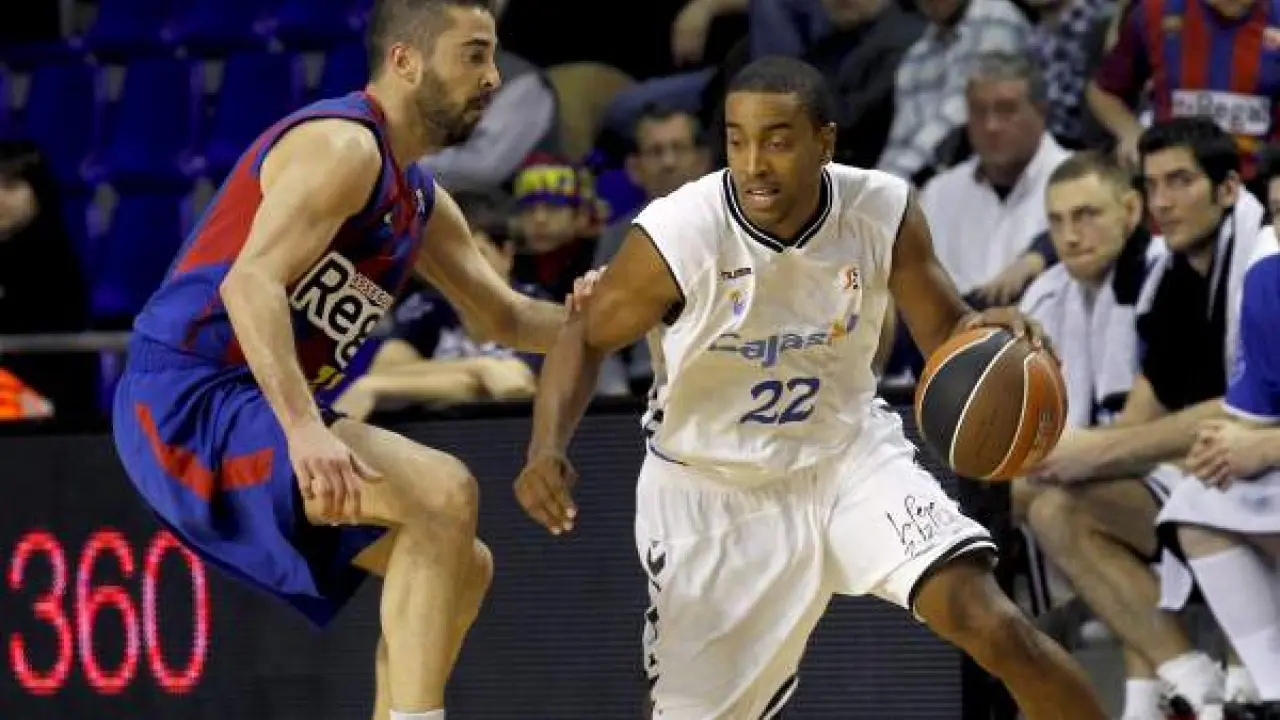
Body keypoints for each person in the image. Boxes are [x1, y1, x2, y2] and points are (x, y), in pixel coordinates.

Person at [513, 56, 1106, 720]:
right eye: (737, 140)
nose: (753, 163)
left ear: (824, 142)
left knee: (994, 624)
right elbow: (585, 334)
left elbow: (945, 329)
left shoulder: (881, 208)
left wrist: (984, 330)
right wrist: (546, 446)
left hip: (847, 459)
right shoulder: (680, 233)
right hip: (714, 494)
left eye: (776, 140)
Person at [110, 2, 591, 719]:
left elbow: (507, 319)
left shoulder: (418, 195)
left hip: (251, 400)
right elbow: (250, 284)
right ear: (405, 61)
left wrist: (628, 316)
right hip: (189, 396)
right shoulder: (344, 146)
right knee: (444, 492)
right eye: (474, 54)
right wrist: (306, 430)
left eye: (493, 56)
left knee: (464, 564)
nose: (493, 77)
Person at [1020, 117, 1277, 719]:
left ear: (1228, 190)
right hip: (1220, 468)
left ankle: (1241, 683)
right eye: (1154, 183)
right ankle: (1192, 683)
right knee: (1053, 505)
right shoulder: (1174, 275)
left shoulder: (1257, 262)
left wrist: (1096, 451)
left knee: (1206, 494)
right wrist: (1079, 455)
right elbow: (1151, 409)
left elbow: (1246, 411)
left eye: (1180, 181)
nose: (1164, 201)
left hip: (1254, 464)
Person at [1156, 247, 1280, 719]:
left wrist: (1265, 448)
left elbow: (1263, 442)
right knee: (1202, 496)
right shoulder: (1268, 281)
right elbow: (1254, 416)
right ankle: (1272, 690)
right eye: (1279, 214)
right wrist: (1222, 447)